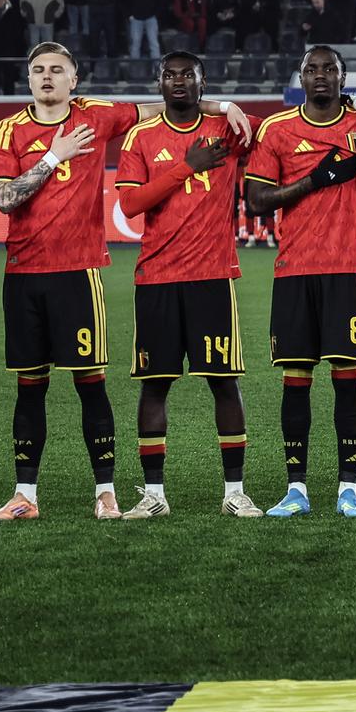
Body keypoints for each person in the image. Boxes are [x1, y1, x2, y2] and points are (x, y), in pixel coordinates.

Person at [0, 45, 251, 521]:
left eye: (56, 71)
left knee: (92, 384)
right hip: (23, 272)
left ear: (74, 80)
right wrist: (53, 156)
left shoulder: (97, 116)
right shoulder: (8, 130)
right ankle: (25, 496)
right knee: (30, 387)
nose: (47, 78)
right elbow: (5, 199)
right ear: (28, 80)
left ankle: (106, 493)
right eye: (38, 71)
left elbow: (163, 102)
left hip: (80, 271)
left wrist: (223, 105)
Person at [242, 46, 356, 519]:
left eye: (331, 69)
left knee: (347, 380)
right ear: (301, 77)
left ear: (344, 77)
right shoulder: (277, 129)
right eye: (312, 69)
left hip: (347, 269)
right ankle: (297, 489)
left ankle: (348, 489)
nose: (322, 76)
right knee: (296, 381)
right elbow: (256, 201)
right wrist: (316, 179)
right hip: (294, 270)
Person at [113, 50, 256, 518]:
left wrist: (225, 107)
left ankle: (234, 491)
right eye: (170, 75)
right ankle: (154, 495)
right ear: (159, 83)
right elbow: (131, 206)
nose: (178, 82)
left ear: (202, 81)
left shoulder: (225, 130)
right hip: (156, 278)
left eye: (188, 75)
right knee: (154, 386)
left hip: (213, 277)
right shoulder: (140, 137)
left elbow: (263, 128)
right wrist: (187, 167)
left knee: (224, 383)